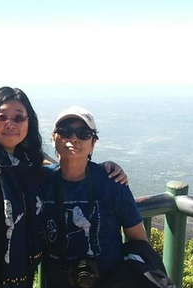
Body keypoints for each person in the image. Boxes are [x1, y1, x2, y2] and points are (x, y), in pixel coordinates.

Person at [0, 87, 128, 288]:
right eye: (2, 116)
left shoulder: (25, 165)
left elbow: (62, 168)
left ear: (29, 122)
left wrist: (100, 169)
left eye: (18, 118)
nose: (10, 123)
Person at [41, 106, 149, 288]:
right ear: (53, 138)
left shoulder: (112, 182)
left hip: (110, 281)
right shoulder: (41, 181)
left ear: (93, 142)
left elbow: (139, 240)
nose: (73, 138)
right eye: (65, 131)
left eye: (83, 133)